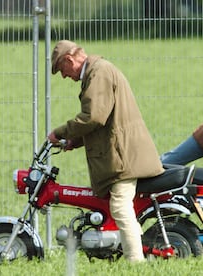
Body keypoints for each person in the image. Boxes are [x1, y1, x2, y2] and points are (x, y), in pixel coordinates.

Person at [48, 40, 164, 262]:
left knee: (120, 207)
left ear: (69, 60)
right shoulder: (97, 70)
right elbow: (103, 120)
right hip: (123, 153)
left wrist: (61, 132)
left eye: (62, 70)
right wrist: (75, 141)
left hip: (124, 157)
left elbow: (94, 116)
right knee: (120, 209)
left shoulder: (98, 72)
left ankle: (135, 263)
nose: (64, 76)